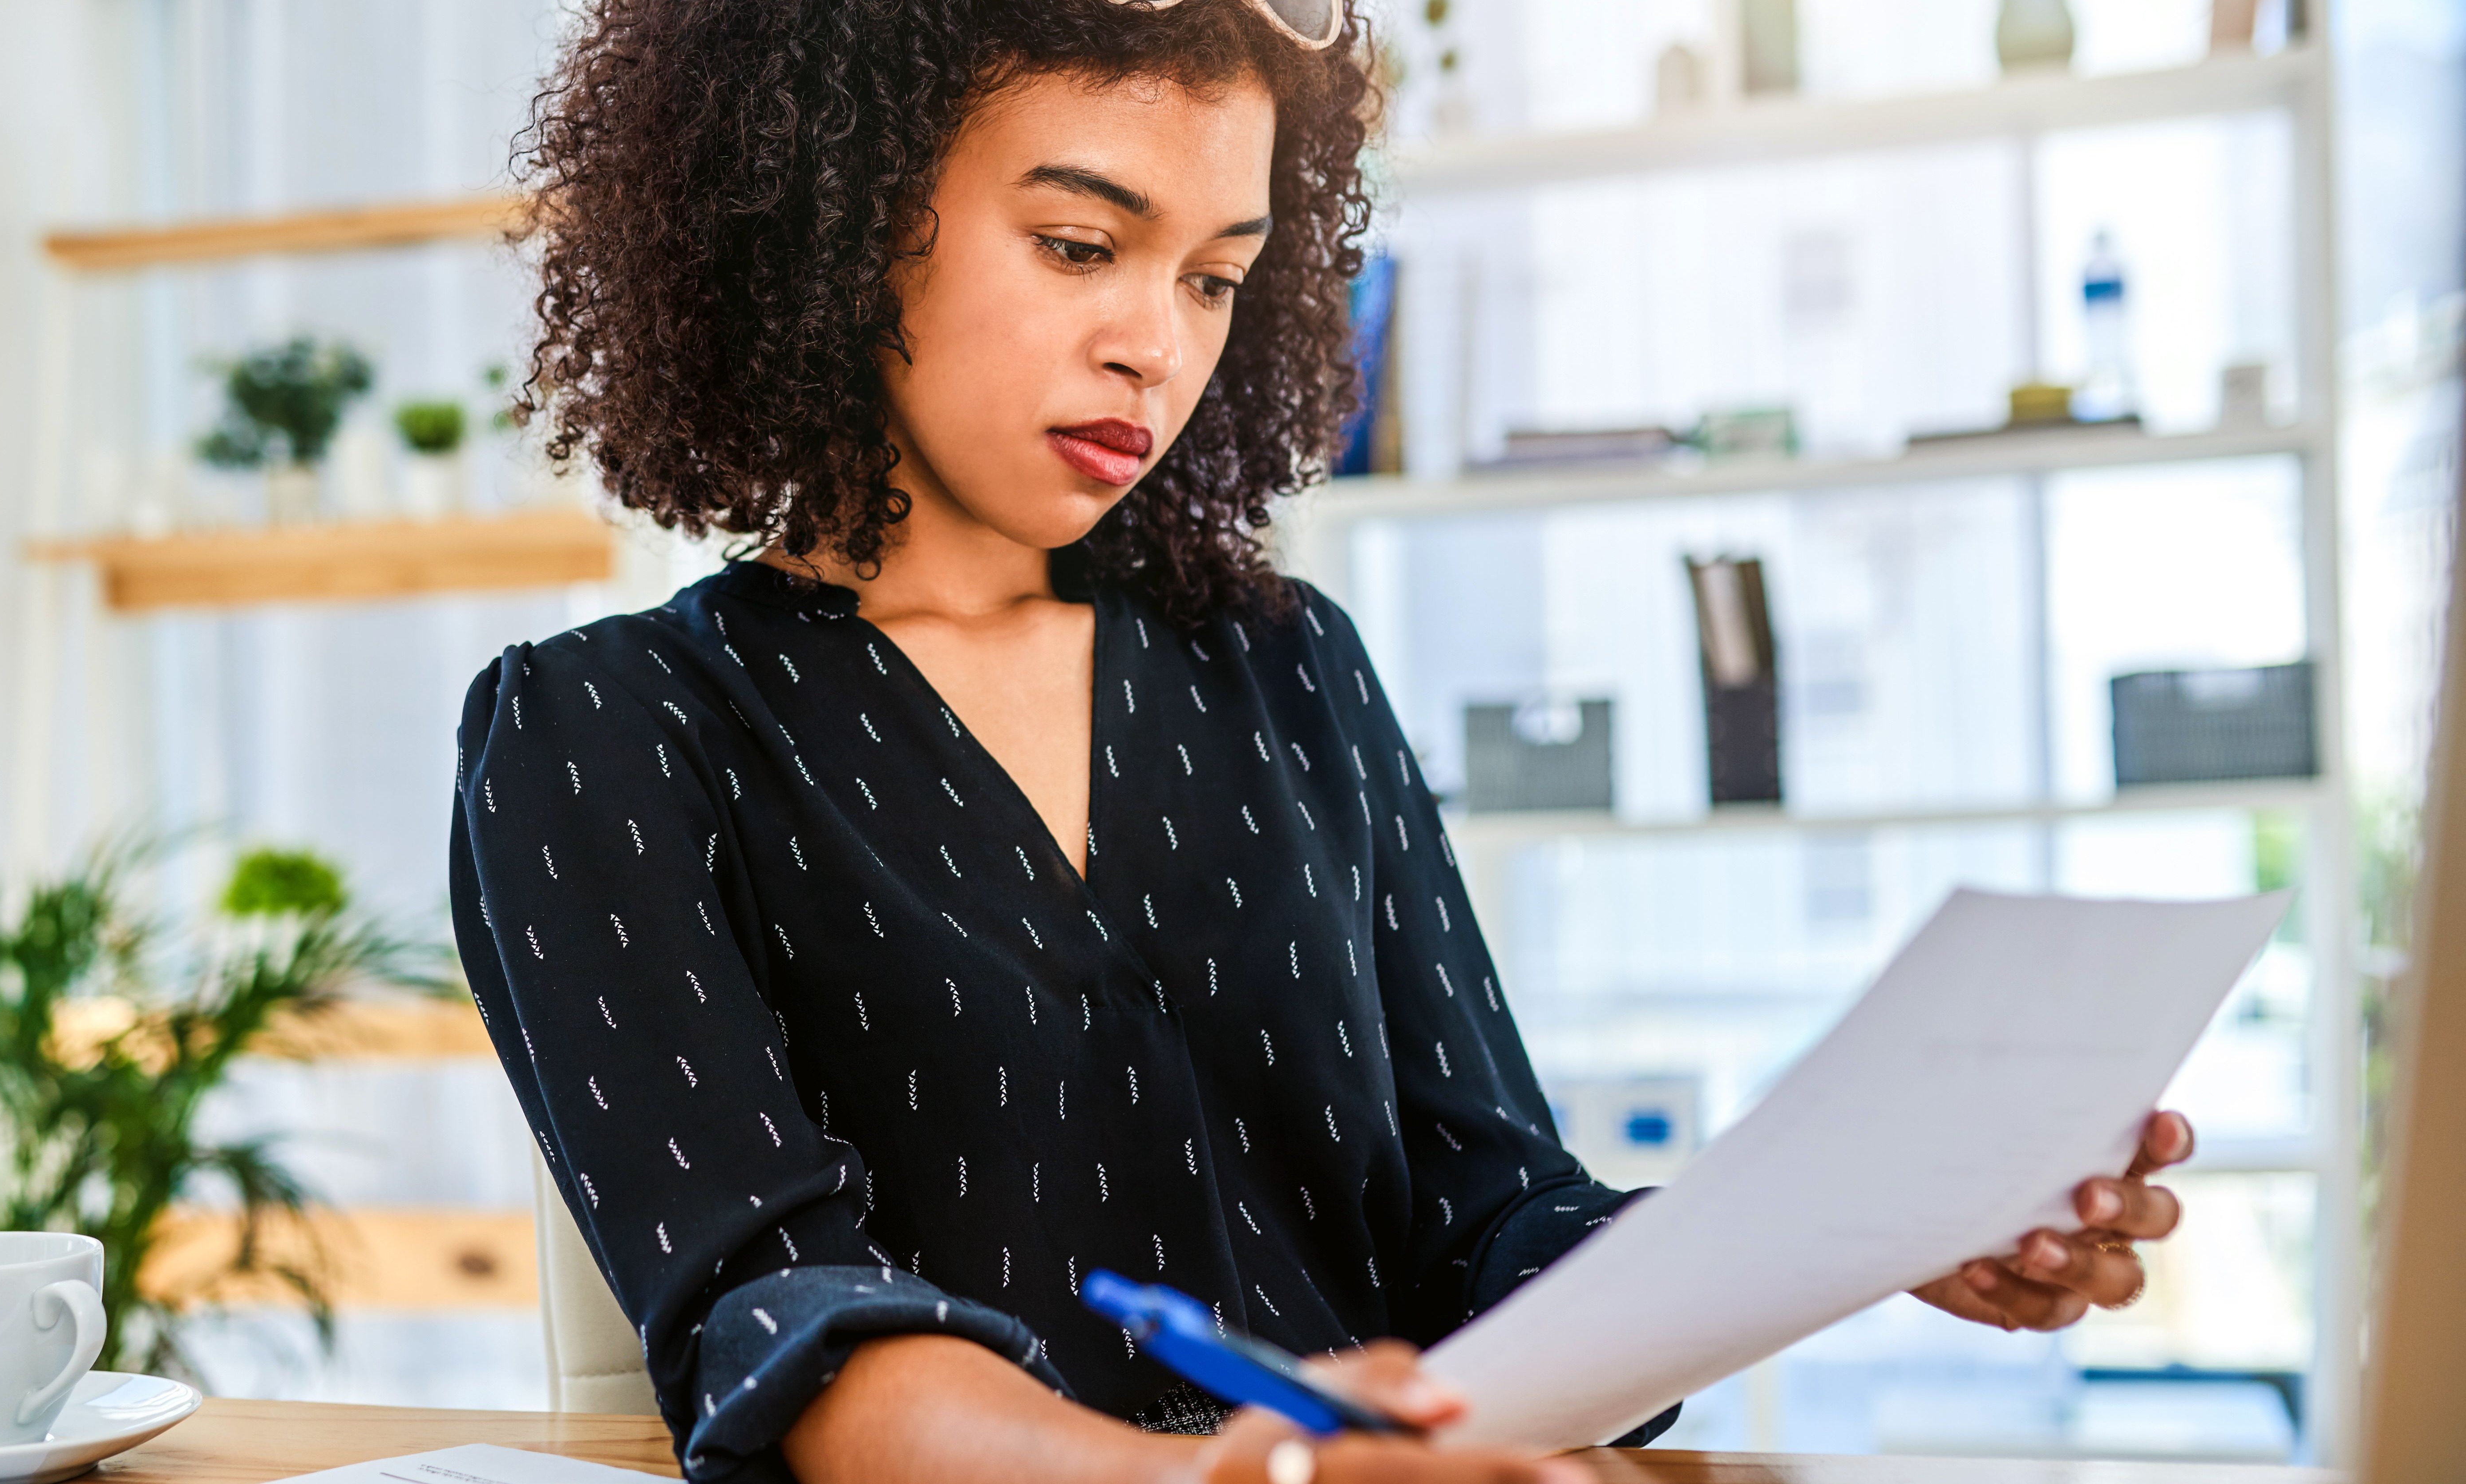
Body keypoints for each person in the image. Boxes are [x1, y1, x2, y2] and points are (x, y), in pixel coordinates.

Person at [449, 3, 2195, 1481]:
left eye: (1219, 279)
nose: (1154, 344)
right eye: (1078, 245)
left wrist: (1870, 1235)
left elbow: (1487, 1212)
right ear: (831, 221)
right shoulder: (604, 735)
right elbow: (782, 1330)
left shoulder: (1287, 674)